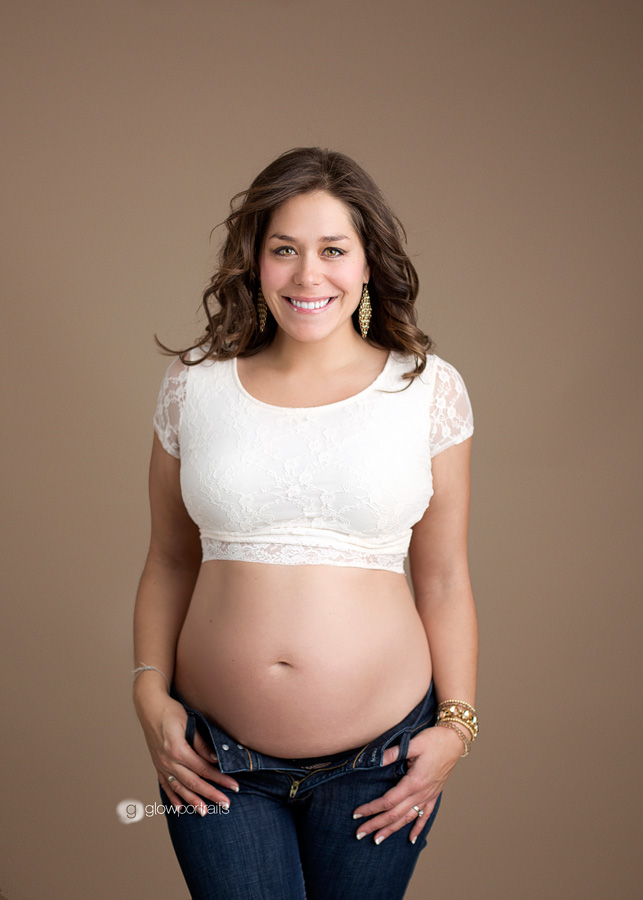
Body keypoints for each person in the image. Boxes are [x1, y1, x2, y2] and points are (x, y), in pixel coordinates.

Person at [133, 146, 479, 900]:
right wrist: (148, 695)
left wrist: (456, 727)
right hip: (212, 756)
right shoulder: (194, 384)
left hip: (382, 759)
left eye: (331, 250)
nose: (306, 275)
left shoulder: (428, 391)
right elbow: (167, 560)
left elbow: (445, 577)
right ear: (253, 261)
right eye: (283, 250)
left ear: (365, 263)